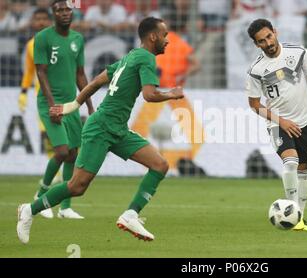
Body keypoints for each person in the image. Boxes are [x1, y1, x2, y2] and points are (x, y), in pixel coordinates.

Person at [17, 17, 184, 244]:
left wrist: (73, 105)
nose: (167, 40)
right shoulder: (145, 58)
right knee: (77, 187)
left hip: (117, 128)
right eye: (164, 35)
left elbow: (97, 81)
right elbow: (149, 94)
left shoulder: (131, 56)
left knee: (160, 165)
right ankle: (29, 209)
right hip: (102, 127)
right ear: (153, 36)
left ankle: (130, 214)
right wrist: (171, 93)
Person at [245, 19, 307, 231]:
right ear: (257, 45)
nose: (268, 43)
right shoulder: (256, 70)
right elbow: (255, 105)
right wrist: (281, 121)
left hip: (304, 121)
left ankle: (299, 218)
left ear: (275, 32)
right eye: (262, 41)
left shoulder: (298, 52)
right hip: (278, 123)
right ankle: (290, 211)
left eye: (269, 37)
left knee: (304, 168)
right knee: (290, 161)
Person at [30, 0, 94, 220]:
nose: (65, 13)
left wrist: (90, 106)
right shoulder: (43, 38)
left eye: (68, 9)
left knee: (73, 154)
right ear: (53, 14)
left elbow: (80, 75)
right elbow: (41, 72)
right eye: (60, 10)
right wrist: (51, 105)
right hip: (50, 103)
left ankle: (64, 208)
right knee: (62, 151)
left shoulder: (78, 39)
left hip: (71, 104)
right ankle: (40, 195)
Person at [18, 8, 62, 200]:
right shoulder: (30, 45)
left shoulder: (59, 42)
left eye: (45, 18)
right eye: (38, 19)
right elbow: (29, 71)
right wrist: (23, 92)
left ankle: (60, 174)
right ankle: (56, 173)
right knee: (46, 133)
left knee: (66, 139)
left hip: (63, 95)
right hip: (42, 98)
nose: (42, 22)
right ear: (33, 22)